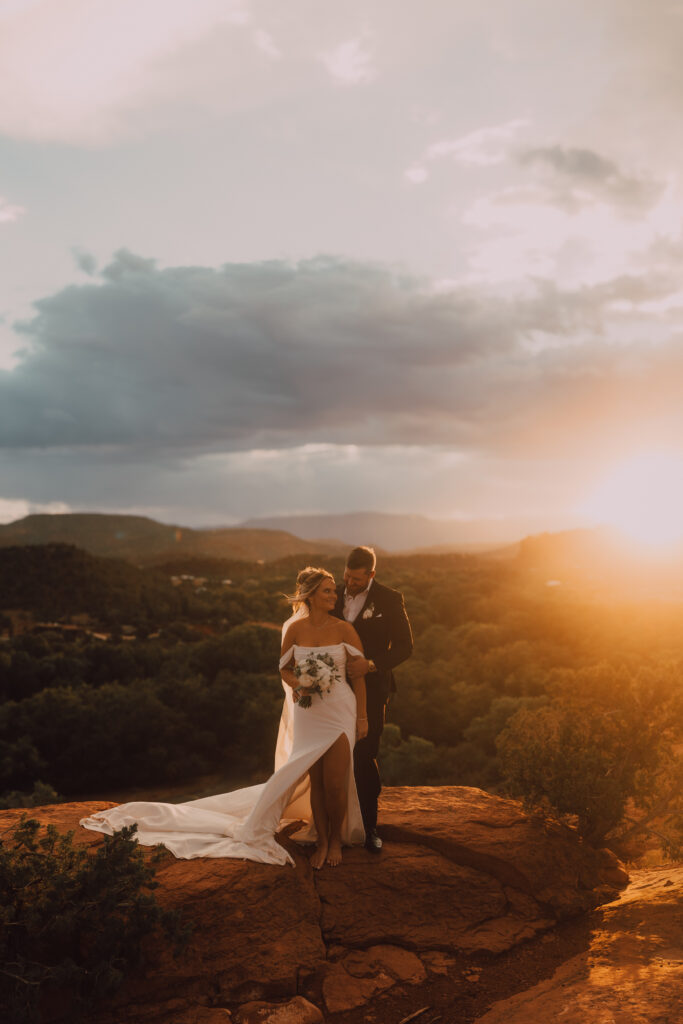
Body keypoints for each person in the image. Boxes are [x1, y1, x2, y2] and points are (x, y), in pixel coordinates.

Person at [80, 567, 367, 868]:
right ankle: (322, 842)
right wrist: (300, 684)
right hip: (309, 712)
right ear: (310, 595)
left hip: (339, 711)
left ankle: (336, 841)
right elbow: (284, 668)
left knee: (335, 783)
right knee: (318, 784)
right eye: (328, 590)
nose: (335, 595)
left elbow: (358, 676)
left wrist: (362, 719)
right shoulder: (294, 629)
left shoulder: (345, 629)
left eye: (335, 590)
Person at [334, 546, 413, 852]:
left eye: (356, 579)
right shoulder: (331, 595)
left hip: (373, 690)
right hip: (332, 691)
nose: (349, 583)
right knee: (333, 755)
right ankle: (334, 824)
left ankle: (369, 828)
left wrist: (370, 665)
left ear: (371, 574)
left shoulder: (390, 599)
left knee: (365, 756)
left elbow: (405, 648)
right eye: (346, 576)